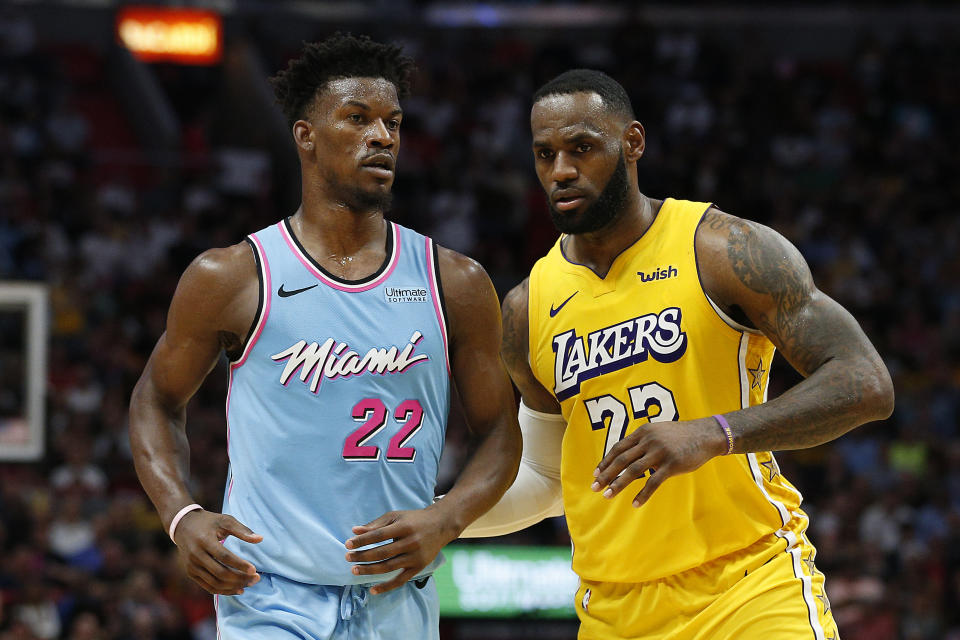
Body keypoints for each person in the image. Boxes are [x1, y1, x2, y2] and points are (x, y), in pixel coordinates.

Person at [461, 69, 894, 640]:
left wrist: (714, 432)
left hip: (748, 586)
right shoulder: (526, 307)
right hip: (615, 610)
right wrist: (437, 517)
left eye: (582, 148)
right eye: (545, 154)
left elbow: (866, 383)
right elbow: (545, 477)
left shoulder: (723, 250)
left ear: (633, 143)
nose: (561, 170)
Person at [128, 34, 521, 639]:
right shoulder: (232, 275)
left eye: (393, 122)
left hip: (398, 598)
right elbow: (155, 400)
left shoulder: (456, 282)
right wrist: (181, 516)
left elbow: (499, 430)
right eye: (357, 118)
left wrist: (446, 519)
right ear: (306, 135)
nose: (382, 136)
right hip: (269, 598)